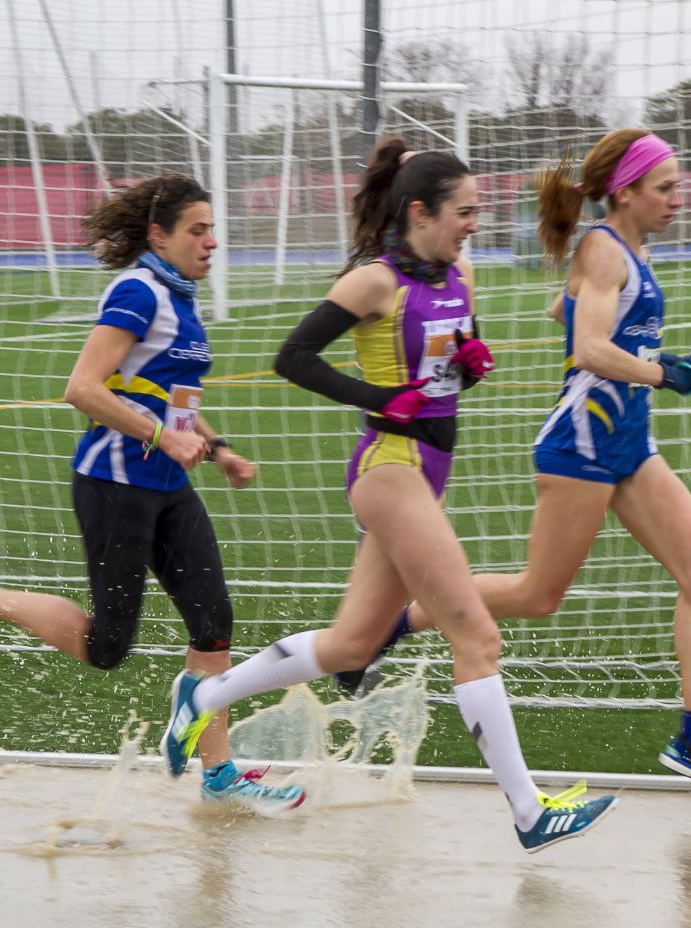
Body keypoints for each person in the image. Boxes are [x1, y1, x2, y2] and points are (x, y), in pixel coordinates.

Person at [161, 138, 617, 853]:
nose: (474, 224)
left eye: (477, 212)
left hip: (430, 470)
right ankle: (530, 812)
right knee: (477, 634)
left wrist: (467, 361)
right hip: (389, 469)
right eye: (463, 212)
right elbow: (293, 357)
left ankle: (204, 697)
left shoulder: (460, 274)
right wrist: (379, 397)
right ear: (419, 211)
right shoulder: (376, 282)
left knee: (352, 643)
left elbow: (448, 355)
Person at [347, 130, 691, 794]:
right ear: (625, 192)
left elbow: (563, 310)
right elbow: (592, 347)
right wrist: (665, 372)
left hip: (627, 440)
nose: (677, 199)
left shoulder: (628, 250)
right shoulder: (603, 248)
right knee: (538, 596)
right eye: (666, 188)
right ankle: (388, 626)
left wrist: (595, 321)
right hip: (583, 441)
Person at [0, 173, 304, 815]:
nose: (211, 240)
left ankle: (219, 772)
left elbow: (170, 398)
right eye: (198, 229)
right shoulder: (138, 291)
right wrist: (164, 438)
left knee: (214, 624)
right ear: (158, 235)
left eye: (213, 228)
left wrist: (216, 451)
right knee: (107, 647)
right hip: (115, 486)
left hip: (168, 488)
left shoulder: (182, 299)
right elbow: (82, 386)